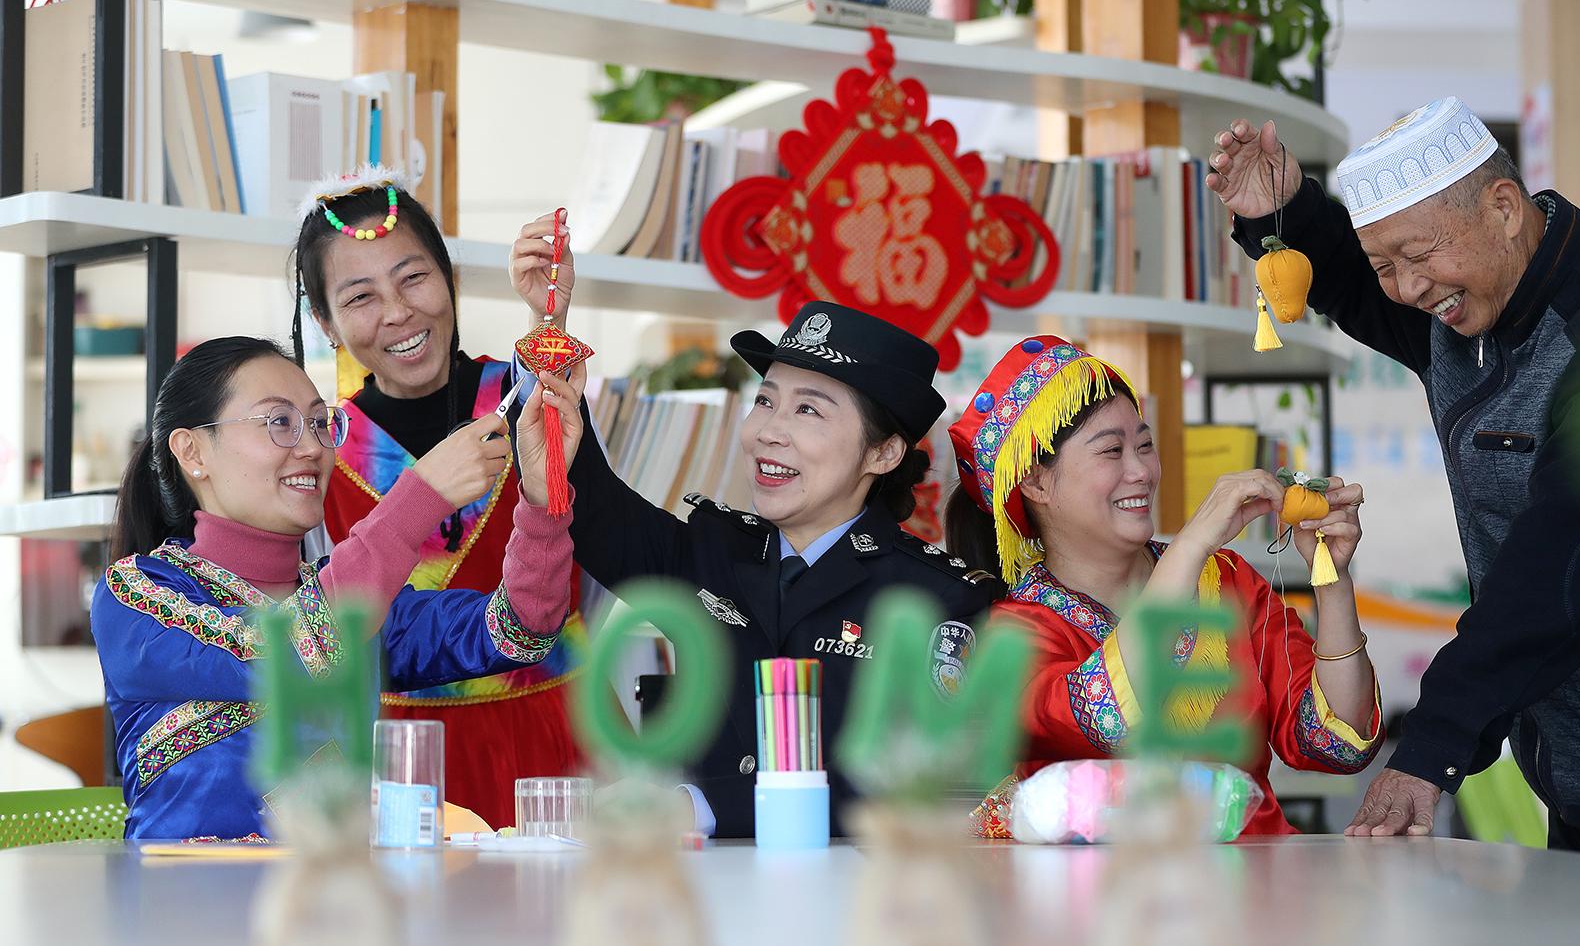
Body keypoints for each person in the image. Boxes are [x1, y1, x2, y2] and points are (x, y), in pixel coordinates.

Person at [1209, 98, 1580, 868]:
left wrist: (1432, 743)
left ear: (1503, 209)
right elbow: (1350, 281)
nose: (1409, 288)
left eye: (1418, 255)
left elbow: (1562, 567)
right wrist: (1280, 212)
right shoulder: (1462, 306)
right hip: (1579, 777)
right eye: (1387, 266)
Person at [506, 212, 1002, 837]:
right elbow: (594, 508)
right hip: (707, 888)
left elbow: (913, 779)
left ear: (883, 453)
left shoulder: (940, 599)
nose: (769, 430)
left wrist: (704, 806)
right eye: (765, 400)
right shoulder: (714, 552)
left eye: (809, 411)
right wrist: (547, 326)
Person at [93, 336, 585, 840]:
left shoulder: (358, 601)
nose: (312, 447)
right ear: (192, 450)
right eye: (279, 422)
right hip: (182, 891)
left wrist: (542, 495)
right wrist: (420, 496)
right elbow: (286, 651)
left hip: (334, 886)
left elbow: (521, 630)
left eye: (319, 423)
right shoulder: (136, 593)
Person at [945, 337, 1383, 836]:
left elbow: (1337, 744)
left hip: (1256, 875)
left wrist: (1332, 577)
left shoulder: (1226, 579)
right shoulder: (1014, 633)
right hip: (1104, 886)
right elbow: (1107, 716)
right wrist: (1191, 543)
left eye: (1145, 445)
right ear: (1036, 484)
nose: (1141, 471)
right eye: (1112, 451)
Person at [292, 171, 583, 828]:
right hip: (396, 765)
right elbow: (317, 628)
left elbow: (587, 546)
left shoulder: (525, 397)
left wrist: (550, 315)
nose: (397, 311)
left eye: (414, 278)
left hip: (552, 744)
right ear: (326, 323)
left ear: (450, 280)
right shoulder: (318, 453)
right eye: (360, 296)